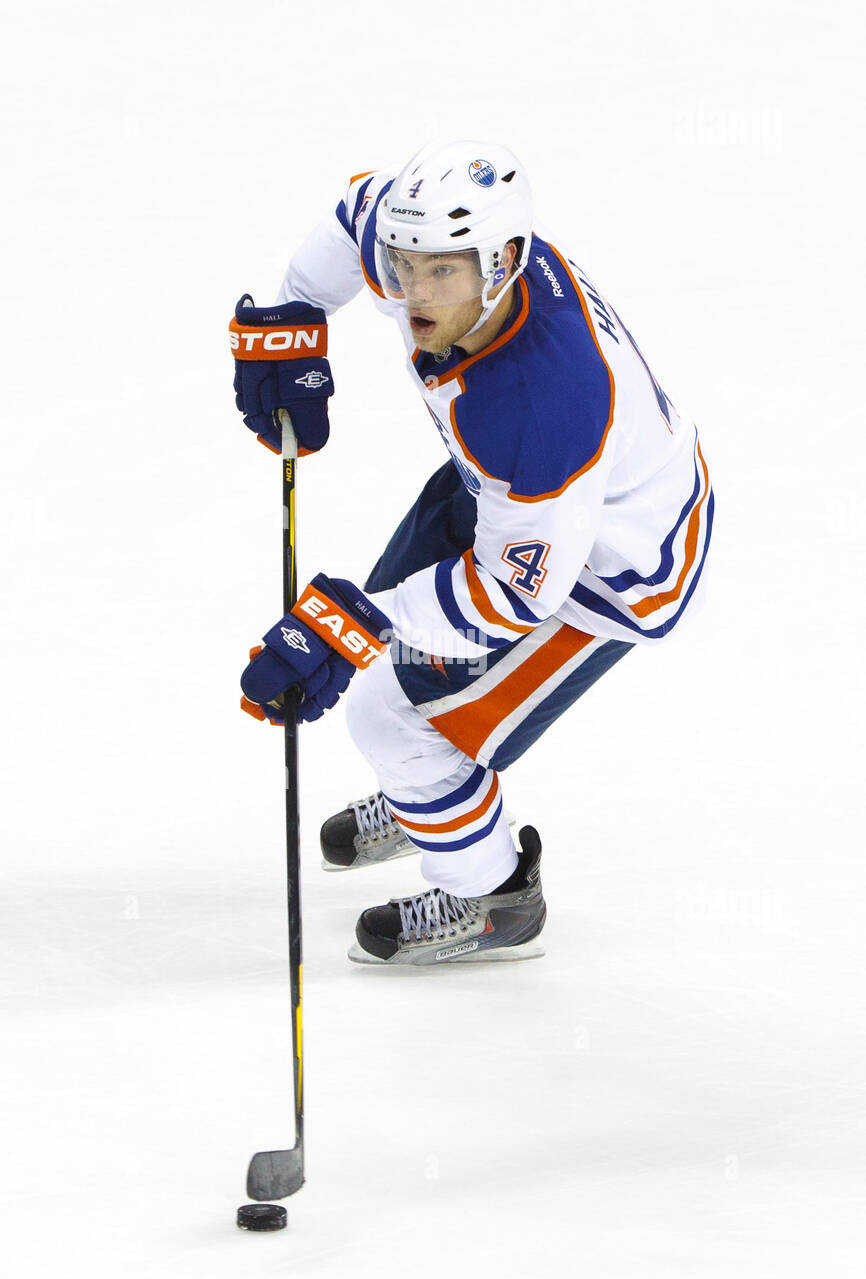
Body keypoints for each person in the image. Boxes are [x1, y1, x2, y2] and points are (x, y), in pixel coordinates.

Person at [229, 139, 714, 966]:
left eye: (439, 274)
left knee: (391, 714)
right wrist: (294, 317)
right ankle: (433, 796)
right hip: (511, 501)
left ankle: (495, 896)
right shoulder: (451, 251)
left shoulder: (539, 405)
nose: (409, 292)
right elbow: (358, 216)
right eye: (402, 262)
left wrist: (359, 628)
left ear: (503, 263)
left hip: (606, 572)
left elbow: (515, 596)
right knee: (386, 629)